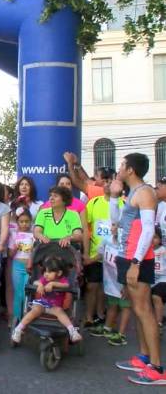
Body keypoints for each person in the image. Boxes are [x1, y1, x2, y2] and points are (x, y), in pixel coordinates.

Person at [109, 153, 165, 384]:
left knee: (144, 311)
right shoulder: (131, 192)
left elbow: (148, 231)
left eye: (122, 165)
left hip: (137, 259)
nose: (119, 168)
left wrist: (136, 262)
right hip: (127, 256)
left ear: (130, 169)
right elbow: (117, 223)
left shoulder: (145, 193)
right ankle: (144, 357)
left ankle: (158, 368)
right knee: (137, 308)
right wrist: (113, 196)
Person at [11, 256, 83, 343]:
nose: (46, 274)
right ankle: (18, 329)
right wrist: (40, 285)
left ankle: (72, 331)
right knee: (35, 310)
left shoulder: (62, 280)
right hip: (42, 303)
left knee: (59, 311)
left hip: (54, 306)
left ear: (59, 273)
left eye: (49, 272)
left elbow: (66, 286)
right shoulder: (44, 279)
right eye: (45, 271)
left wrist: (53, 284)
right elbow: (35, 282)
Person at [83, 169, 117, 328]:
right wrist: (86, 252)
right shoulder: (94, 202)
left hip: (114, 254)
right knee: (92, 286)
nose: (108, 185)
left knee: (108, 287)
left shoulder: (122, 204)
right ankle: (89, 316)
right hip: (94, 253)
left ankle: (102, 314)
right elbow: (85, 229)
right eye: (105, 182)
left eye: (111, 181)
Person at [90, 224, 132, 346]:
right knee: (112, 304)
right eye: (113, 225)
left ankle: (121, 334)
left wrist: (127, 284)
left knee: (125, 306)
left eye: (118, 226)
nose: (113, 228)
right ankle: (107, 328)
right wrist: (88, 260)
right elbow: (100, 254)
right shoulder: (107, 239)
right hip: (111, 280)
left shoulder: (127, 244)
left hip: (124, 282)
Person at [8, 209, 35, 325]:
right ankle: (16, 318)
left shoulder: (34, 235)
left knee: (26, 293)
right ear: (17, 222)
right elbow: (10, 255)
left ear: (31, 222)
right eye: (21, 221)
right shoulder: (14, 235)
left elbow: (35, 252)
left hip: (29, 267)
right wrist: (14, 247)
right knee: (18, 293)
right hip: (17, 265)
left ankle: (26, 317)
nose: (24, 224)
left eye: (27, 221)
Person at [152, 230, 166, 332]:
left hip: (163, 279)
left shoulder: (163, 250)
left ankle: (158, 324)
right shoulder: (144, 251)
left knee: (156, 297)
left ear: (160, 239)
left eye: (155, 237)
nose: (152, 240)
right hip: (149, 281)